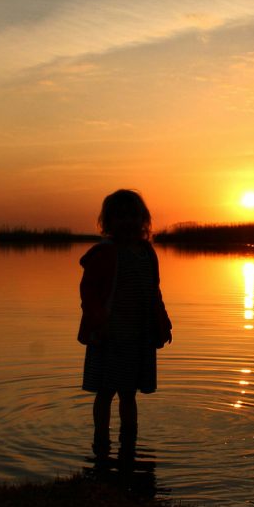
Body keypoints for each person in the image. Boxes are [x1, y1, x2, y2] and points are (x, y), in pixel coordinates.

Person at [78, 189, 172, 456]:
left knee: (129, 393)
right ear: (107, 222)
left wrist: (162, 321)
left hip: (138, 336)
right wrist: (99, 322)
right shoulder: (104, 254)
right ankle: (102, 442)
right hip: (109, 336)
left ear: (143, 220)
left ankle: (129, 440)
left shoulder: (146, 253)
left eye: (132, 216)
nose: (127, 222)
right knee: (106, 391)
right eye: (119, 217)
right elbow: (88, 293)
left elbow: (154, 292)